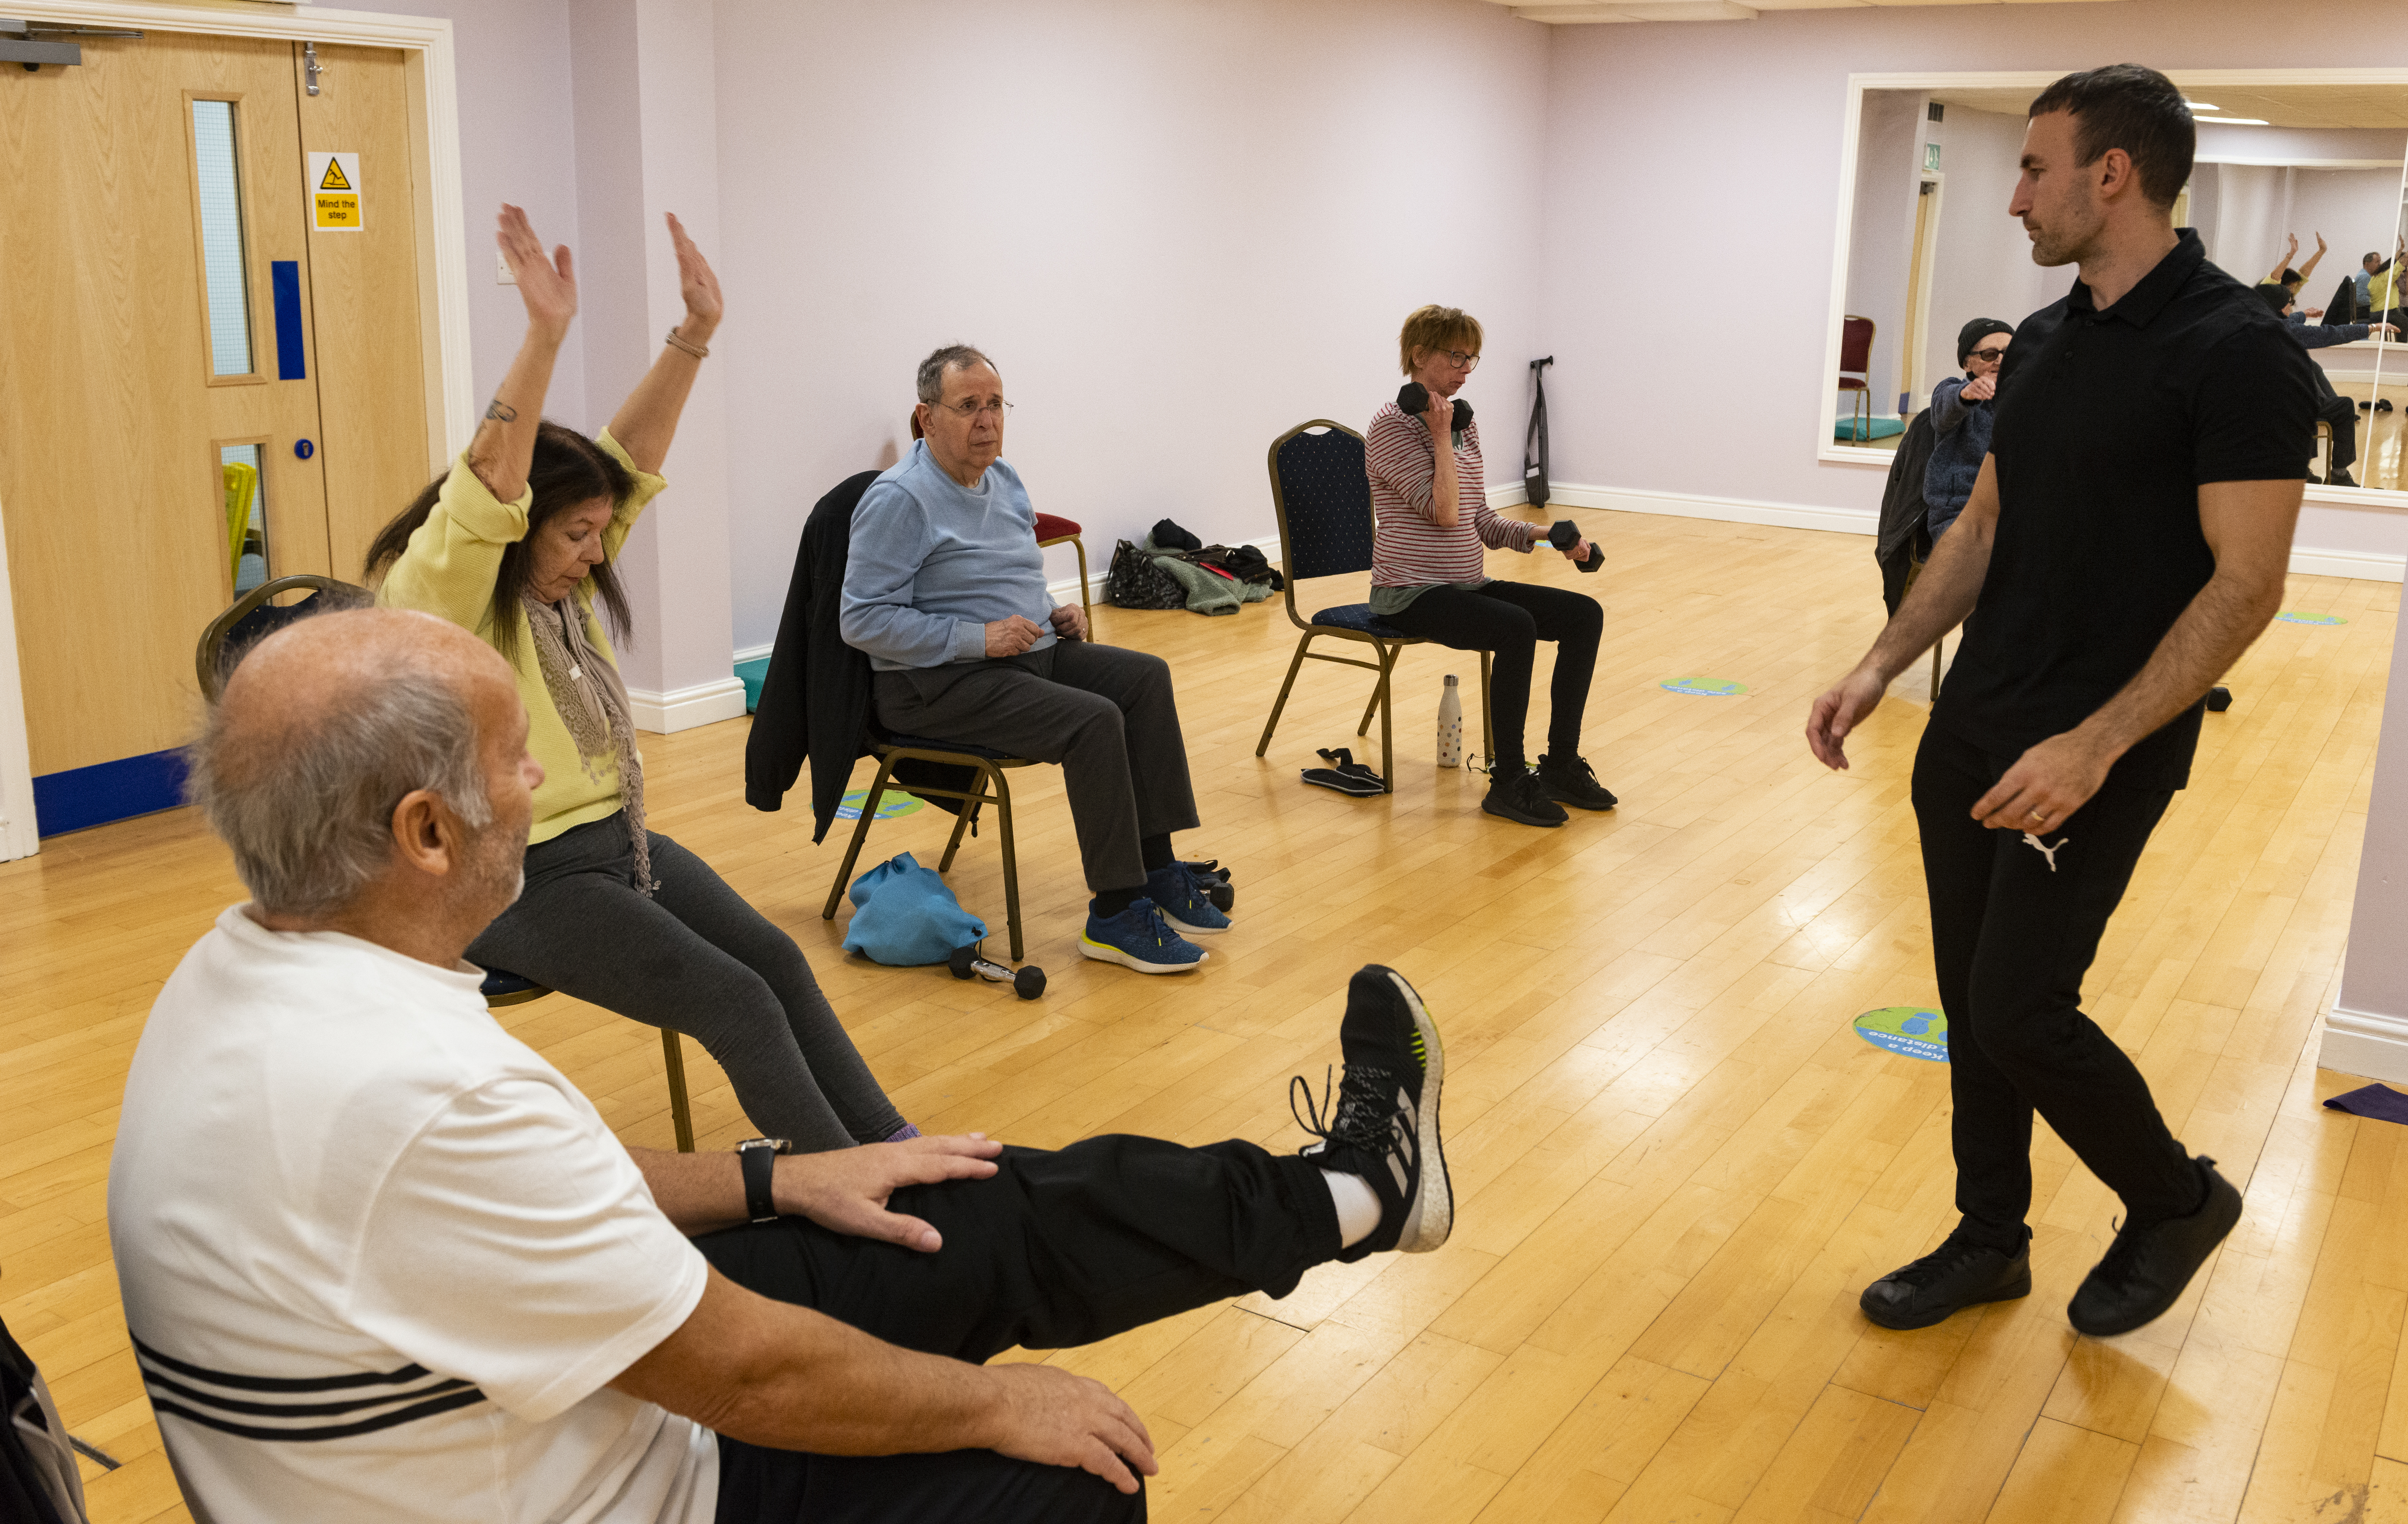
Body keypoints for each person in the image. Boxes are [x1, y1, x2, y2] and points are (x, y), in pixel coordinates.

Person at [113, 606, 1451, 1524]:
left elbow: (515, 1195)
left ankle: (1349, 1196)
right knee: (1068, 1478)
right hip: (639, 1479)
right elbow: (748, 1379)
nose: (539, 774)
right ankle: (1337, 1205)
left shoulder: (240, 971)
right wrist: (994, 1401)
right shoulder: (415, 1085)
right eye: (514, 753)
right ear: (423, 831)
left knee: (950, 1199)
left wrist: (776, 1179)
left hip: (544, 1420)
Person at [1807, 64, 2318, 1340]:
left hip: (2100, 743)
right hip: (1976, 718)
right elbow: (1986, 519)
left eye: (2035, 168)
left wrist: (2095, 744)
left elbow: (2248, 585)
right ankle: (1990, 1240)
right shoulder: (2044, 336)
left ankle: (2174, 1198)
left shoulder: (2236, 349)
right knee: (1973, 1008)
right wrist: (1883, 662)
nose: (2015, 196)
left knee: (2020, 1006)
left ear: (2113, 173)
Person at [368, 206, 905, 1153]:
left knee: (775, 961)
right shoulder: (445, 594)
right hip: (515, 880)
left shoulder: (557, 577)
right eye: (573, 533)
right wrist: (543, 338)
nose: (593, 552)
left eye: (594, 532)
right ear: (518, 524)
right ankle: (846, 1189)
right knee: (734, 1001)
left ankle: (893, 1149)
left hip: (619, 849)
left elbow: (630, 459)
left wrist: (693, 337)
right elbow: (490, 485)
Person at [842, 345, 1229, 976]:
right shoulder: (900, 501)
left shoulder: (1006, 479)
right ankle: (1114, 913)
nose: (987, 420)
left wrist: (1054, 611)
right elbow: (861, 621)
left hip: (1023, 655)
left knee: (1145, 679)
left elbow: (1009, 575)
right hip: (934, 684)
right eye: (968, 406)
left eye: (995, 404)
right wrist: (979, 638)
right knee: (1094, 721)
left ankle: (1155, 870)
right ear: (927, 418)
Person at [1366, 305, 1611, 828]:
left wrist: (1551, 537)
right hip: (1409, 594)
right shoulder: (1390, 428)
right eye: (1455, 356)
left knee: (1584, 614)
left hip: (1465, 584)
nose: (1466, 369)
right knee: (1515, 626)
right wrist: (1438, 436)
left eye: (1472, 358)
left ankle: (1560, 765)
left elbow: (1478, 519)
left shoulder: (1462, 426)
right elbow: (1445, 512)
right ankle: (1507, 782)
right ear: (1418, 355)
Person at [2255, 282, 2364, 485]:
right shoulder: (2284, 329)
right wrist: (2371, 328)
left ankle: (2304, 468)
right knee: (2343, 405)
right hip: (2286, 403)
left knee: (2312, 367)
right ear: (2280, 307)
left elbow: (2287, 317)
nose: (2292, 308)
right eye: (2290, 304)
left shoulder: (2255, 322)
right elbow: (2330, 334)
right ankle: (2339, 474)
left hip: (2262, 399)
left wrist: (2304, 314)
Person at [1922, 318, 2011, 545]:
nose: (2001, 360)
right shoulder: (1953, 389)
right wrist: (1967, 393)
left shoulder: (2024, 396)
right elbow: (1943, 408)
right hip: (1960, 513)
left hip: (2013, 512)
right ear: (1967, 364)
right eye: (1990, 354)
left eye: (2009, 353)